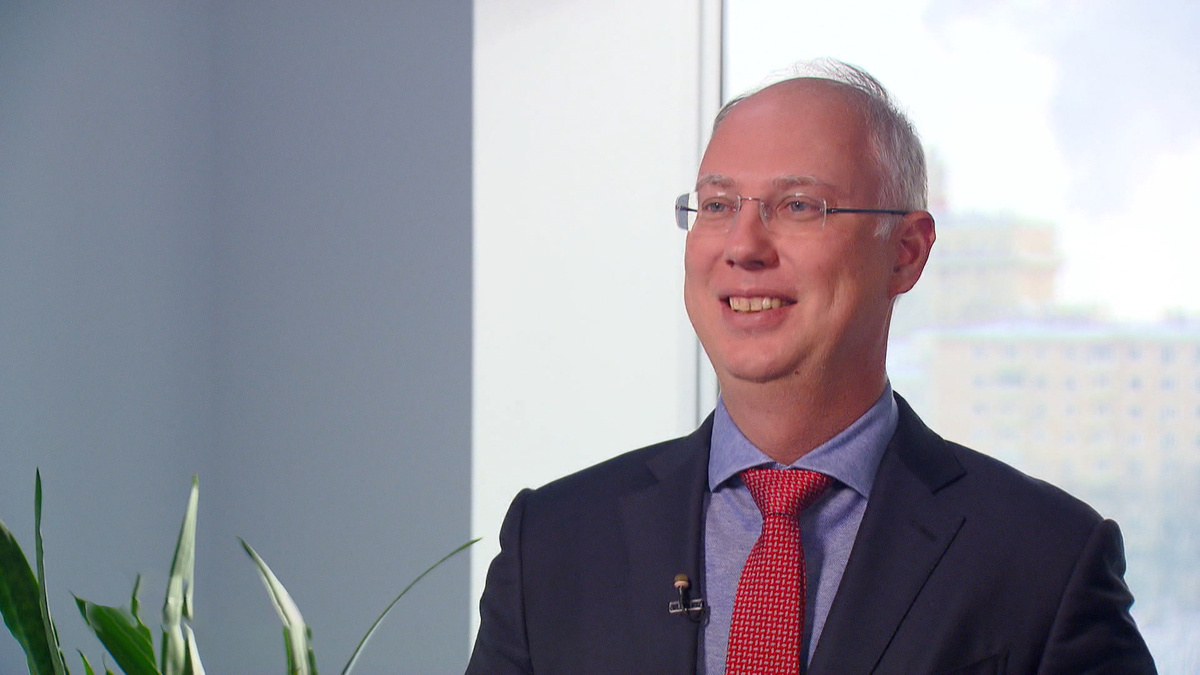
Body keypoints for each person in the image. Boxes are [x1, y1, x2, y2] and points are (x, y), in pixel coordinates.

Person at [466, 59, 1156, 674]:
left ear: (906, 252)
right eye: (717, 205)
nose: (743, 245)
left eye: (798, 206)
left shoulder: (1045, 560)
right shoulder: (552, 542)